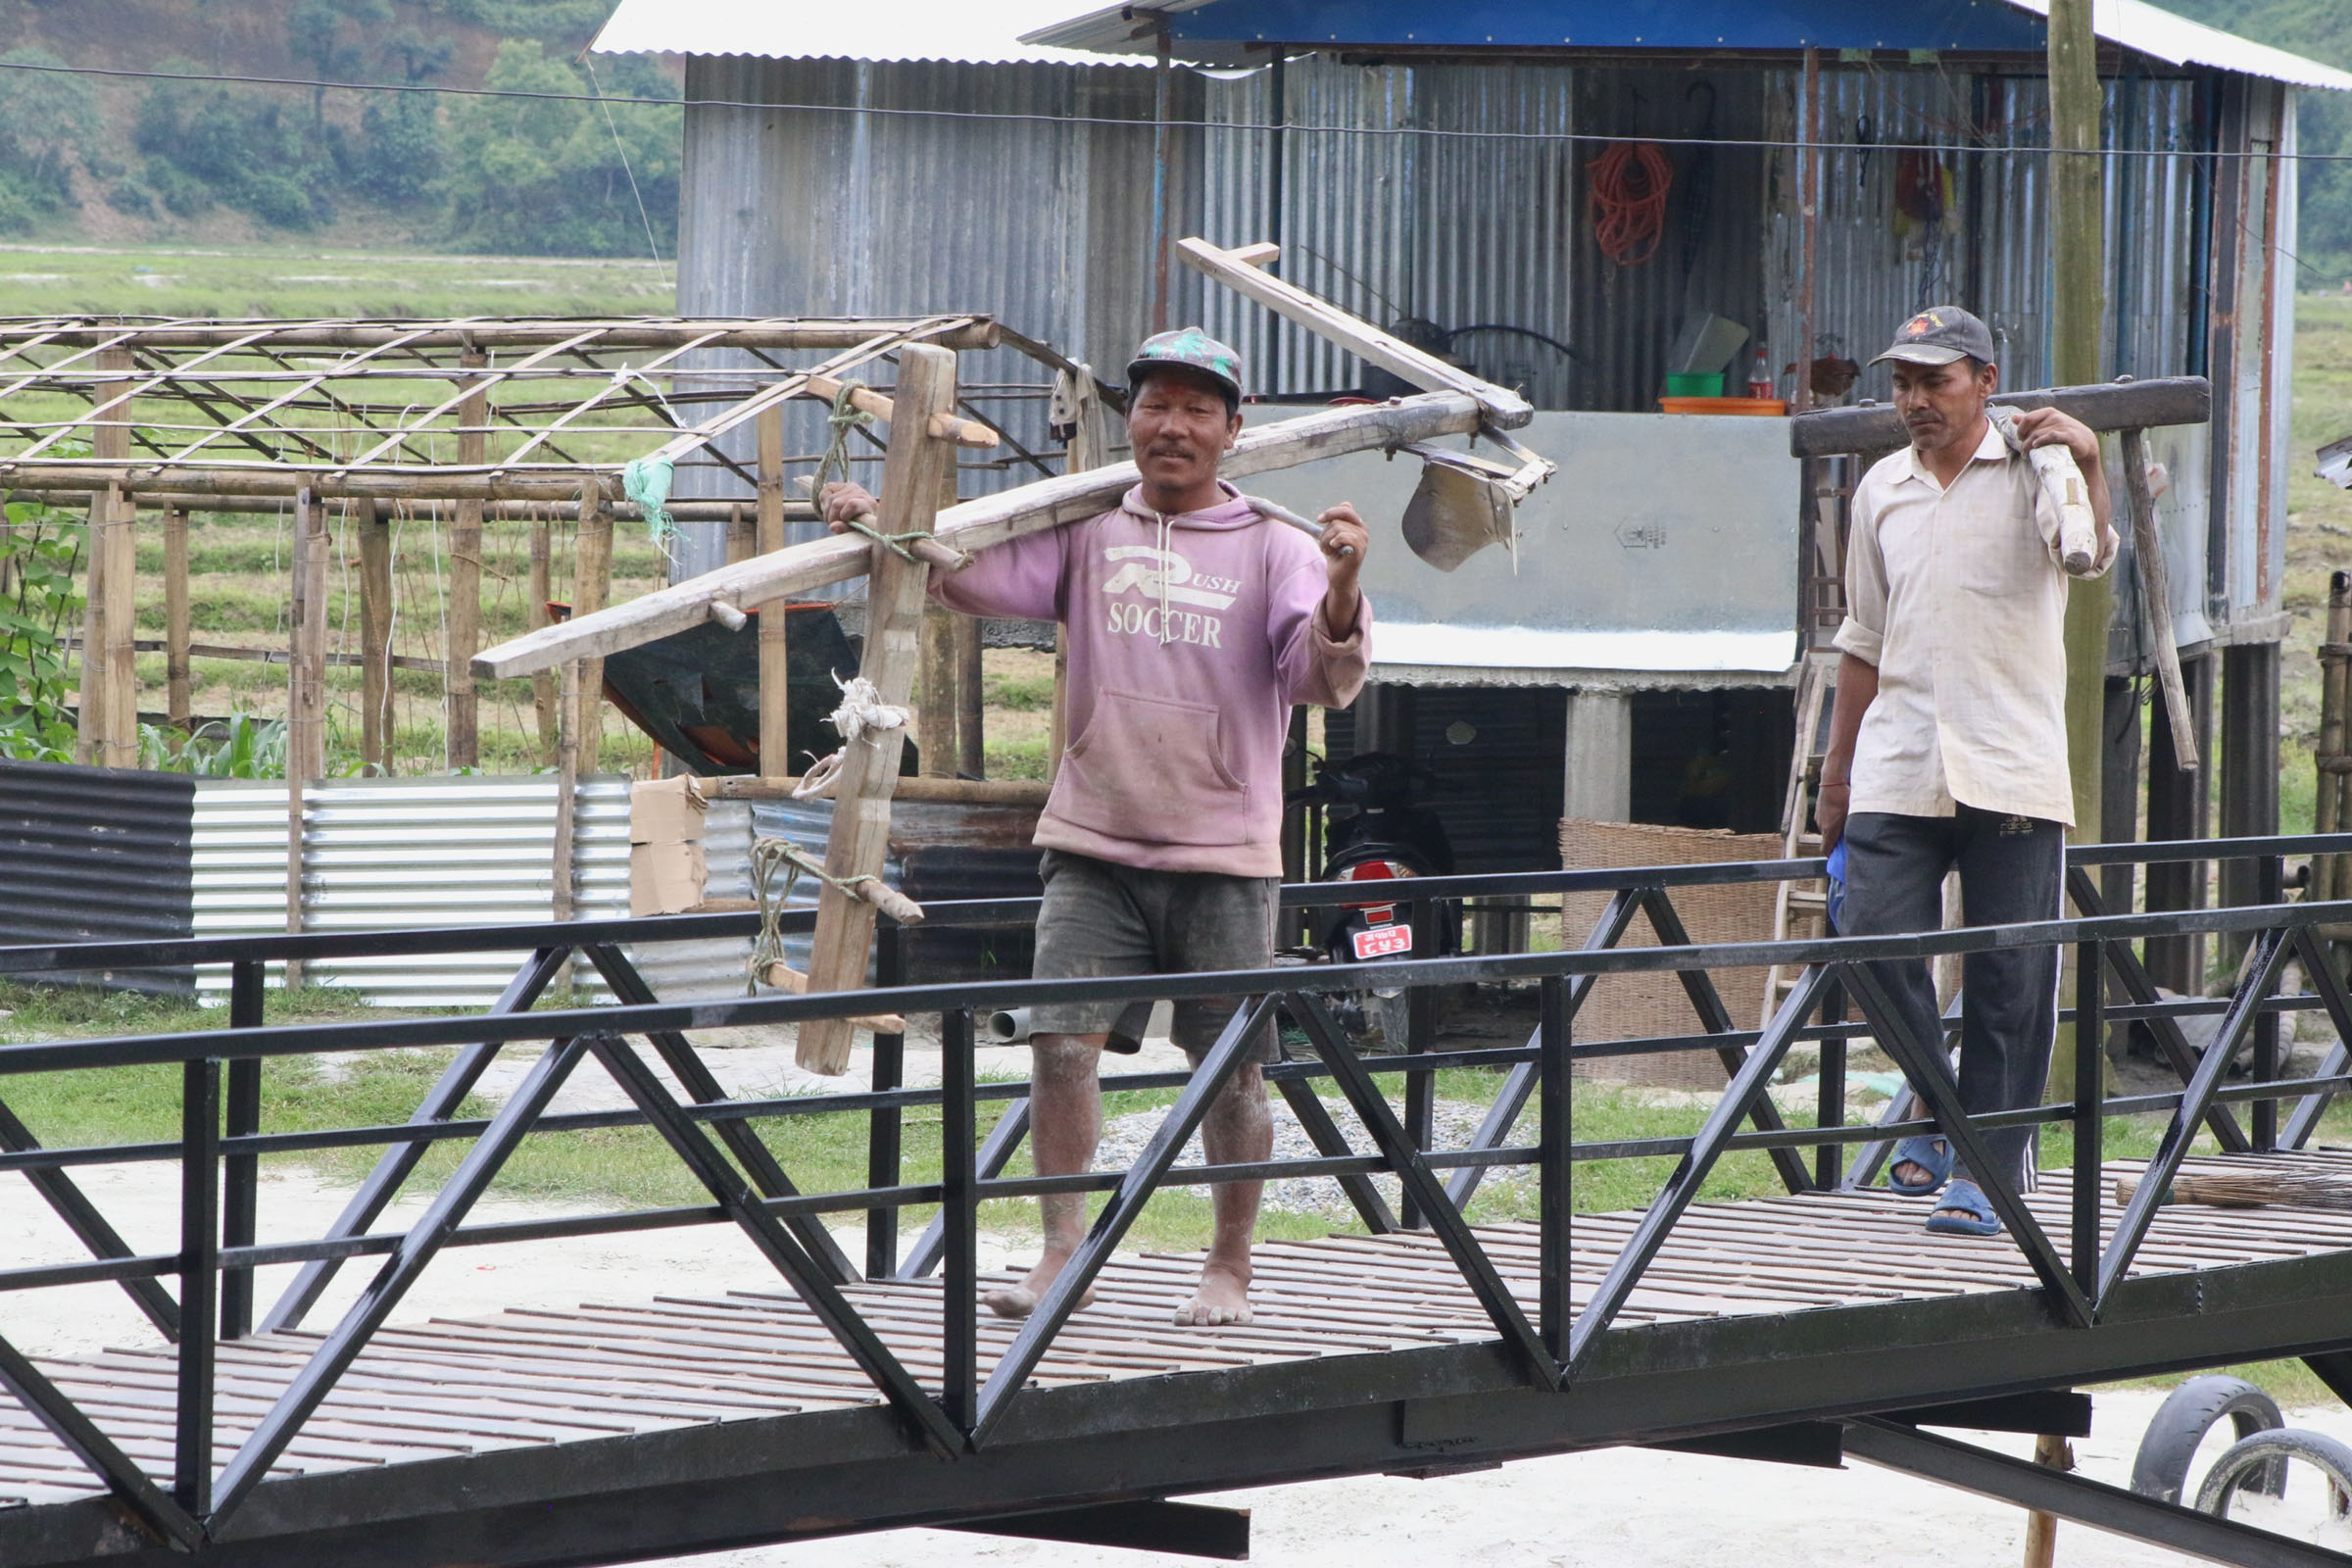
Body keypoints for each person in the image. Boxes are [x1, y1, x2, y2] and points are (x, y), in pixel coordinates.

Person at [819, 327, 1371, 1325]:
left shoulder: (1278, 548)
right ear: (1131, 421)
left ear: (1233, 432)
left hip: (1224, 856)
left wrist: (1340, 590)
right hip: (1092, 845)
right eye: (1157, 406)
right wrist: (881, 524)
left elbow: (1319, 678)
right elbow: (967, 574)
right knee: (1061, 1049)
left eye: (1199, 410)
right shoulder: (1087, 530)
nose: (1175, 426)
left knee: (1233, 1070)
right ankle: (1059, 1253)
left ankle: (1230, 1264)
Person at [1816, 304, 2118, 1238]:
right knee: (1867, 937)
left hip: (2010, 759)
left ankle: (1982, 1171)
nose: (1913, 400)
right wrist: (1835, 775)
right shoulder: (1882, 491)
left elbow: (2090, 551)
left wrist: (2095, 464)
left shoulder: (2039, 465)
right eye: (1902, 382)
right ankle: (1949, 1119)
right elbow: (1863, 637)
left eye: (1934, 381)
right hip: (1900, 758)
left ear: (1985, 382)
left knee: (2009, 977)